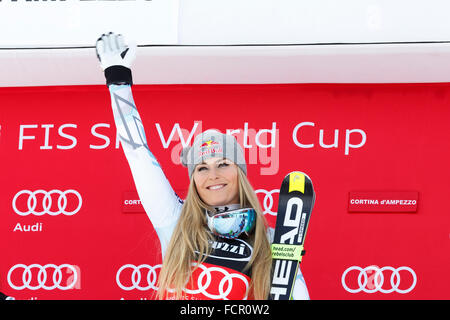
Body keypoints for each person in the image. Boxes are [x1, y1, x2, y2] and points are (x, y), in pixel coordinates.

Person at [96, 32, 309, 300]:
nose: (213, 175)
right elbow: (137, 152)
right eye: (201, 168)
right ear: (194, 178)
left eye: (223, 163)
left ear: (240, 173)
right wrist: (118, 79)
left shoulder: (269, 240)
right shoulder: (176, 221)